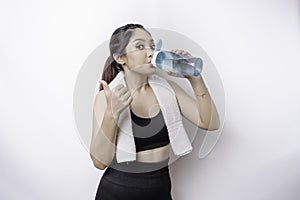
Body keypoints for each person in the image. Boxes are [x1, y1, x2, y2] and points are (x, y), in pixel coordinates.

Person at [90, 23, 220, 200]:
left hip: (160, 189)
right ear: (120, 58)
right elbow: (99, 162)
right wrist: (111, 114)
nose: (150, 52)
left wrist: (195, 78)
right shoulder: (108, 97)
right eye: (140, 46)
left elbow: (210, 123)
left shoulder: (168, 90)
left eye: (152, 45)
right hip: (118, 191)